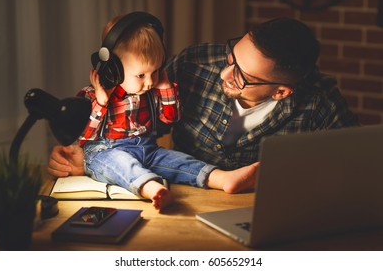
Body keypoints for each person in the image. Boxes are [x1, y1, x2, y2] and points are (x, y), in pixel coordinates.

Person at [48, 17, 358, 189]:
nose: (224, 73)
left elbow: (354, 172)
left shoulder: (321, 104)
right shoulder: (195, 62)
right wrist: (85, 153)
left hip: (266, 214)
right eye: (231, 56)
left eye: (241, 76)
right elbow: (132, 116)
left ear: (280, 92)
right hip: (182, 198)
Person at [69, 12, 258, 211]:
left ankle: (222, 178)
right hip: (105, 151)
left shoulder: (150, 90)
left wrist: (166, 88)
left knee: (178, 160)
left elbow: (170, 119)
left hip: (147, 148)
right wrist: (101, 102)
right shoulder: (92, 96)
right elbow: (84, 138)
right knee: (121, 164)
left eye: (156, 71)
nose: (150, 81)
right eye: (141, 75)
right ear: (112, 68)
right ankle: (151, 188)